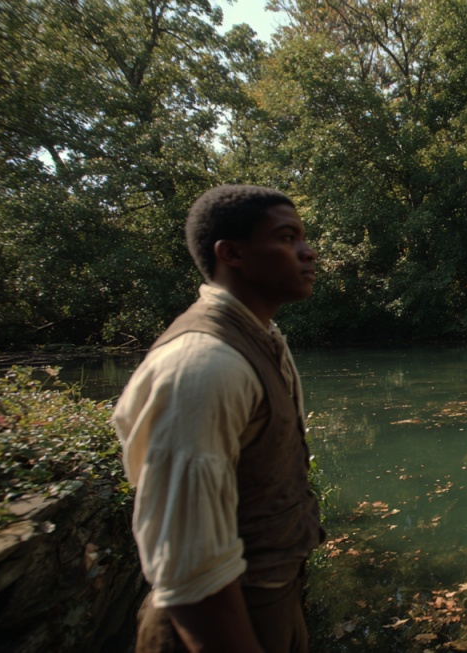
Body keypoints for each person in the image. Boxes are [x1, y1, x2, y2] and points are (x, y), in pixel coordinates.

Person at [112, 185, 324, 653]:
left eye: (303, 237)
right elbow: (188, 569)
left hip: (269, 602)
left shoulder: (262, 337)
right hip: (217, 627)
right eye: (288, 237)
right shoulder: (204, 366)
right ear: (232, 254)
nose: (308, 252)